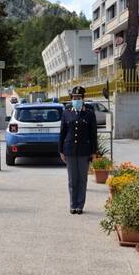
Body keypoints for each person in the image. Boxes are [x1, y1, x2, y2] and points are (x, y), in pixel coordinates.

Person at [59, 86, 98, 215]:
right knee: (72, 179)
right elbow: (62, 133)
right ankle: (73, 204)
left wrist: (93, 152)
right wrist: (61, 150)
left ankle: (80, 205)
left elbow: (93, 134)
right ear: (72, 99)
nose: (76, 99)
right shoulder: (66, 113)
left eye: (79, 98)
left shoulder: (89, 113)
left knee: (82, 179)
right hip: (69, 150)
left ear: (83, 98)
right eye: (74, 98)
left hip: (84, 151)